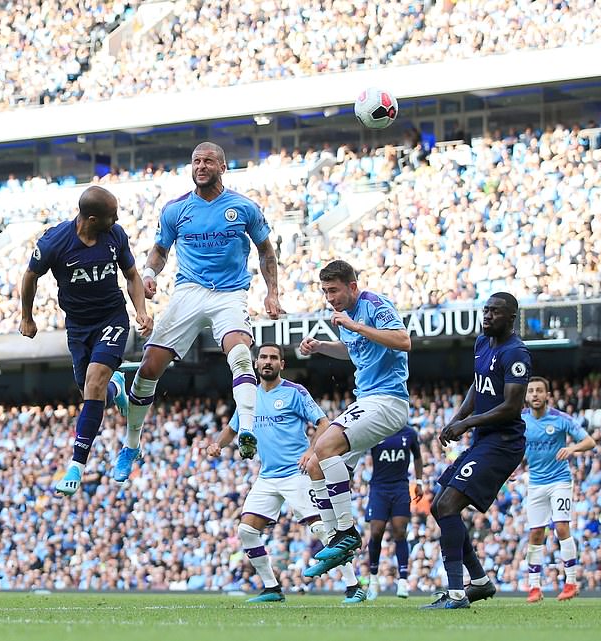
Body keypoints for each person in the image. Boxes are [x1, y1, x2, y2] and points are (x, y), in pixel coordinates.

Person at [121, 141, 283, 481]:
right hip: (188, 292)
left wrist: (272, 293)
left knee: (240, 353)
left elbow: (266, 251)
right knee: (149, 368)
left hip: (230, 293)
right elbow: (160, 251)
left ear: (222, 167)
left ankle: (248, 430)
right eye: (196, 161)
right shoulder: (175, 209)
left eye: (208, 161)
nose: (201, 166)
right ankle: (131, 443)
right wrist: (149, 275)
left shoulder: (243, 207)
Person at [205, 344, 364, 604]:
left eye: (273, 358)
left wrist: (312, 451)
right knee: (246, 531)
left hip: (296, 474)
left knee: (324, 531)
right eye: (263, 358)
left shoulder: (295, 392)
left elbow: (324, 423)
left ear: (282, 364)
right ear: (256, 363)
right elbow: (234, 427)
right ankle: (272, 588)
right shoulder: (249, 397)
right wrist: (216, 445)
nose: (268, 362)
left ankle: (353, 585)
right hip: (267, 477)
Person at [20, 186, 153, 495]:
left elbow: (132, 275)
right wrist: (26, 316)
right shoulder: (55, 242)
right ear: (92, 219)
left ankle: (76, 465)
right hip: (78, 326)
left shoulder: (115, 235)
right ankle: (116, 386)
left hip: (112, 318)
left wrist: (141, 310)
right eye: (112, 216)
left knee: (93, 383)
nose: (118, 220)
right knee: (92, 394)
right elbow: (30, 277)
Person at [297, 260, 411, 578]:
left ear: (352, 286)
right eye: (325, 292)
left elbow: (403, 341)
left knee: (325, 444)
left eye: (334, 290)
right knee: (315, 463)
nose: (330, 298)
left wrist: (356, 326)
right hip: (368, 400)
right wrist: (322, 347)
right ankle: (336, 539)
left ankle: (347, 533)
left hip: (388, 400)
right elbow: (354, 350)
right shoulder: (344, 317)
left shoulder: (373, 304)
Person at [422, 292, 531, 610]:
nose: (487, 316)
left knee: (449, 505)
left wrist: (466, 424)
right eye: (485, 311)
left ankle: (456, 593)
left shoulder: (517, 353)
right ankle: (480, 582)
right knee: (438, 506)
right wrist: (456, 419)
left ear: (511, 317)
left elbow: (511, 407)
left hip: (503, 443)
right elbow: (477, 385)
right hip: (483, 440)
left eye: (495, 312)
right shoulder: (482, 342)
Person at [523, 376, 596, 603]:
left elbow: (589, 442)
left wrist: (572, 448)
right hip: (535, 483)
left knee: (561, 527)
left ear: (547, 396)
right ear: (526, 396)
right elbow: (513, 446)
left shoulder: (561, 419)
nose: (535, 394)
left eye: (539, 391)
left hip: (559, 481)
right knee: (535, 533)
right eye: (531, 391)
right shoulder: (520, 420)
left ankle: (571, 582)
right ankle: (535, 587)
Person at [364, 425, 424, 600]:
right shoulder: (376, 429)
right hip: (379, 488)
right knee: (376, 531)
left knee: (400, 531)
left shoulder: (409, 433)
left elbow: (418, 457)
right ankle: (373, 578)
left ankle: (403, 581)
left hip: (400, 488)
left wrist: (419, 481)